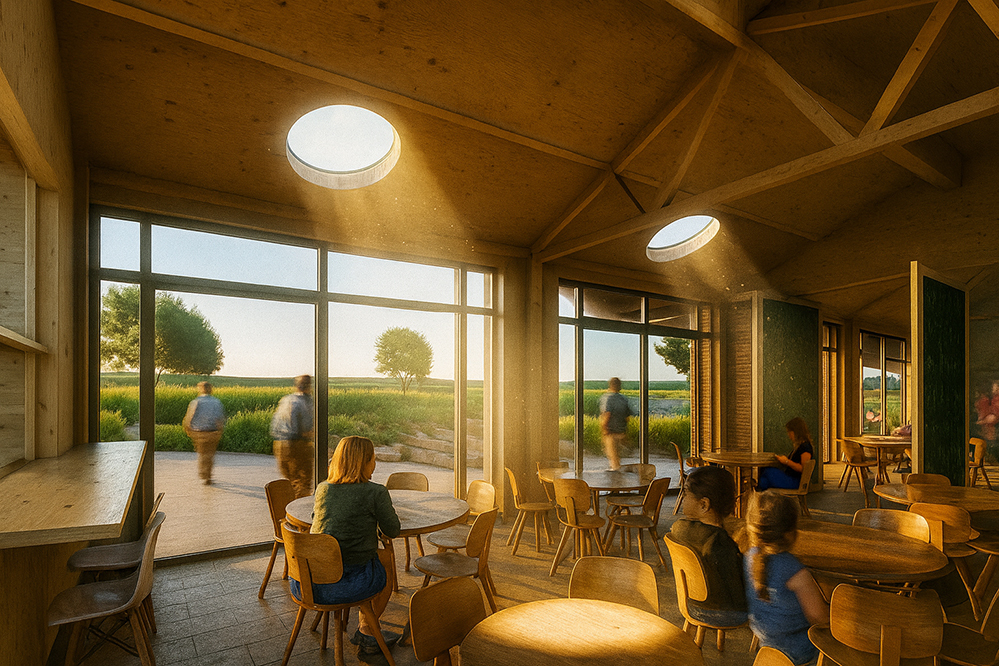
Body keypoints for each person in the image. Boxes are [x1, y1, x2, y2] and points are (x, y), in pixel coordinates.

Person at [308, 436, 401, 655]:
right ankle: (367, 627)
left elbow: (318, 521)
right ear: (364, 462)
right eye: (373, 459)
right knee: (387, 560)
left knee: (364, 557)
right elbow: (393, 530)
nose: (375, 464)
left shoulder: (322, 489)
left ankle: (367, 626)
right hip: (347, 584)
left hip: (310, 582)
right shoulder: (376, 492)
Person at [744, 491, 828, 665]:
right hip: (798, 650)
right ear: (790, 532)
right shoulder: (795, 571)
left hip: (765, 641)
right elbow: (819, 618)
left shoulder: (750, 557)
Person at [670, 465, 748, 626]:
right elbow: (737, 595)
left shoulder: (678, 528)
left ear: (704, 505)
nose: (683, 498)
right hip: (722, 612)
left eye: (686, 494)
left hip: (690, 603)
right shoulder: (720, 542)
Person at [270, 374, 315, 499]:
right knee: (303, 482)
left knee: (290, 480)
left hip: (280, 443)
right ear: (309, 386)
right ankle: (299, 508)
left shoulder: (286, 399)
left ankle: (289, 507)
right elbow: (306, 428)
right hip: (298, 444)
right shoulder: (307, 402)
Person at [182, 381, 226, 485]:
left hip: (199, 432)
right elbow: (219, 418)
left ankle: (203, 473)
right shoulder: (216, 402)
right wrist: (220, 430)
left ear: (201, 389)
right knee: (210, 454)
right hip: (212, 431)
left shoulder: (196, 402)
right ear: (211, 389)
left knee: (202, 453)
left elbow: (190, 417)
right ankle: (208, 475)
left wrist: (187, 427)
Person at [756, 417, 813, 491]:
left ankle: (756, 488)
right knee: (764, 480)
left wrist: (787, 461)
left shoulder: (805, 447)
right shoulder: (799, 446)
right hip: (790, 478)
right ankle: (758, 492)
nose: (788, 434)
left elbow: (803, 469)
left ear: (796, 432)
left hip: (795, 482)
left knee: (768, 471)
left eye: (789, 432)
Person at [598, 377, 634, 471]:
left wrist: (604, 428)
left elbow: (607, 414)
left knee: (613, 458)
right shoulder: (623, 399)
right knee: (618, 457)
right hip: (621, 432)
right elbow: (627, 417)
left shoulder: (607, 398)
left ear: (610, 385)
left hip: (611, 432)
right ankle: (619, 475)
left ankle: (616, 478)